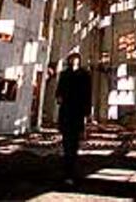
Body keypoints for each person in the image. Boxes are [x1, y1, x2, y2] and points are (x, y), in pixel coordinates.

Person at [56, 52, 92, 185]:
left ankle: (71, 170)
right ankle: (67, 168)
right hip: (66, 112)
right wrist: (59, 98)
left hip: (77, 112)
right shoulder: (64, 74)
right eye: (71, 59)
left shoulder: (84, 75)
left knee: (74, 142)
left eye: (75, 59)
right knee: (67, 142)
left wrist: (87, 113)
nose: (73, 61)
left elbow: (88, 94)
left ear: (79, 61)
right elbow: (59, 92)